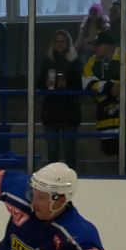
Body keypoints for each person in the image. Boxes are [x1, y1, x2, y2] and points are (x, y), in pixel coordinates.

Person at [81, 30, 126, 175]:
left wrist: (116, 88)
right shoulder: (92, 61)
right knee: (111, 150)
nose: (95, 49)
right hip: (108, 120)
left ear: (108, 46)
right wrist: (110, 87)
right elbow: (87, 81)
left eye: (98, 45)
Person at [39, 29, 83, 166]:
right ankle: (53, 177)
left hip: (69, 112)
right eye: (57, 41)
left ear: (68, 43)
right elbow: (39, 84)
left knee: (69, 149)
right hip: (50, 111)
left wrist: (67, 84)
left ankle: (71, 175)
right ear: (53, 43)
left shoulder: (75, 62)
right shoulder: (47, 62)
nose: (60, 44)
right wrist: (46, 83)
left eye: (63, 41)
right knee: (52, 150)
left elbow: (80, 85)